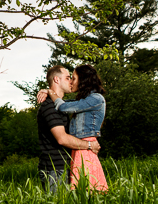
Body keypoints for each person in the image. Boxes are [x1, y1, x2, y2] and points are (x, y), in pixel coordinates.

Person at [38, 64, 108, 192]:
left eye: (73, 78)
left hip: (65, 163)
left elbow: (64, 106)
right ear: (57, 80)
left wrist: (50, 91)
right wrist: (89, 145)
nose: (71, 81)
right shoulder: (50, 107)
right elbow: (62, 139)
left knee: (86, 193)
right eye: (68, 78)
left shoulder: (91, 99)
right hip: (55, 168)